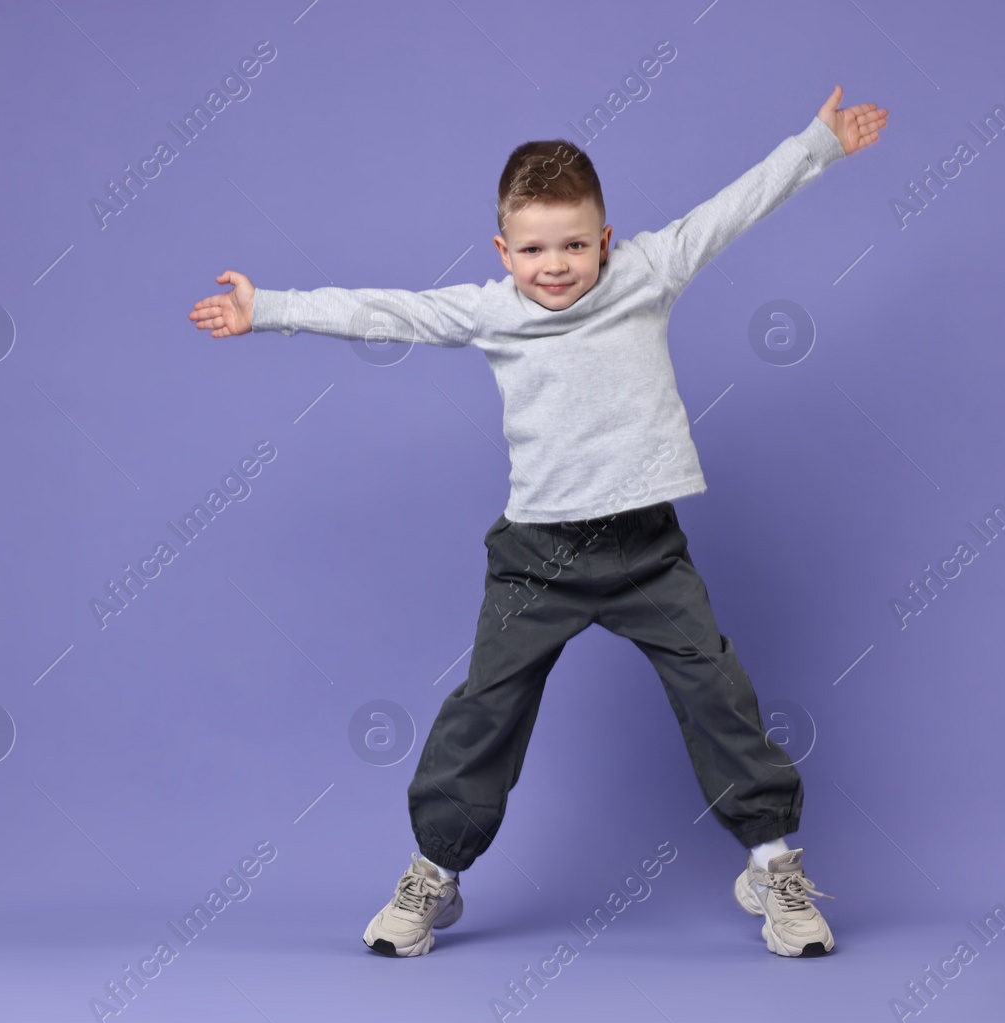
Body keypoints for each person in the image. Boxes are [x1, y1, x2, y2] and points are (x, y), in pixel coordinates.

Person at [189, 86, 888, 958]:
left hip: (644, 551)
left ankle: (772, 862)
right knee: (484, 711)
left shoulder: (648, 271)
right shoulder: (494, 311)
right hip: (537, 561)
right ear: (502, 249)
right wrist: (272, 309)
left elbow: (732, 208)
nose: (553, 265)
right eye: (532, 248)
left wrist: (816, 143)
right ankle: (433, 872)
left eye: (572, 244)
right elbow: (390, 310)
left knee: (719, 694)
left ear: (604, 236)